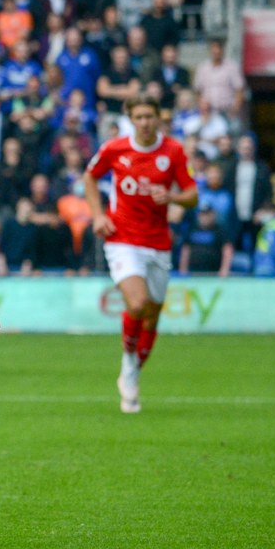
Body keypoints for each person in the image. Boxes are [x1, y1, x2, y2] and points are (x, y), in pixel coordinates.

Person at [82, 96, 198, 415]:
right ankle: (129, 364)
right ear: (130, 119)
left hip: (158, 241)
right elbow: (90, 176)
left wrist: (172, 196)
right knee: (137, 303)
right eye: (140, 117)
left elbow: (192, 195)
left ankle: (131, 369)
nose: (146, 122)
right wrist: (97, 215)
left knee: (153, 315)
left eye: (151, 116)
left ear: (159, 117)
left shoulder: (173, 151)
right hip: (122, 238)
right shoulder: (114, 148)